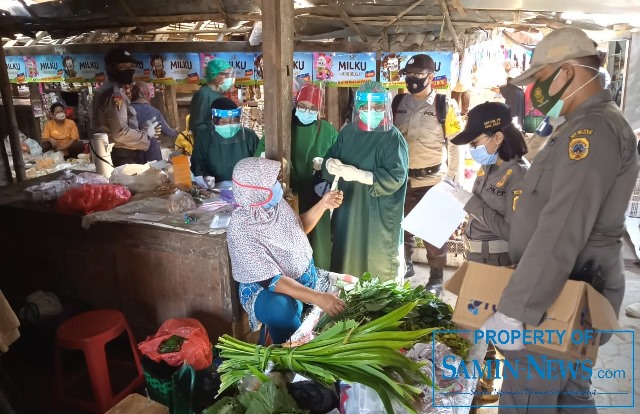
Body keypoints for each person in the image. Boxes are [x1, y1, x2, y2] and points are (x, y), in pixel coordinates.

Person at [481, 27, 639, 412]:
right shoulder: (583, 123)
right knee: (570, 396)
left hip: (561, 295)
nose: (533, 89)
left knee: (529, 399)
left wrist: (514, 310)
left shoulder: (592, 130)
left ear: (567, 71)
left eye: (537, 77)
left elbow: (562, 227)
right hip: (574, 288)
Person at [445, 101, 529, 402]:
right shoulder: (490, 167)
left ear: (498, 137)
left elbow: (514, 232)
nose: (473, 149)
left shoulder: (518, 175)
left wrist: (470, 203)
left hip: (495, 264)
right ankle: (481, 387)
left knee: (474, 331)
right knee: (478, 330)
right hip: (477, 259)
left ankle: (470, 393)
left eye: (476, 142)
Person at [227, 157, 345, 344]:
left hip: (300, 275)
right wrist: (317, 297)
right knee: (283, 309)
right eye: (271, 182)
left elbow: (299, 229)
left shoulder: (275, 205)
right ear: (255, 191)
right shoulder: (241, 230)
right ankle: (288, 351)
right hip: (264, 289)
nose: (277, 186)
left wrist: (323, 204)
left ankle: (299, 322)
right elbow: (271, 281)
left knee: (341, 294)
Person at [323, 80, 409, 282]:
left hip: (378, 213)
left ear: (385, 108)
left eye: (377, 107)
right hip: (349, 209)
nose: (371, 111)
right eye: (366, 107)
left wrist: (361, 176)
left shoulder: (392, 139)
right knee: (346, 258)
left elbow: (396, 177)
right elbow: (331, 156)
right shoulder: (348, 132)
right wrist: (329, 164)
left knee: (377, 266)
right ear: (357, 108)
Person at [392, 53, 461, 293]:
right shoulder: (398, 104)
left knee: (434, 233)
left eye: (418, 75)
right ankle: (406, 265)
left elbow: (455, 143)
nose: (412, 79)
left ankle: (436, 278)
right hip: (402, 179)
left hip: (433, 181)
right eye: (409, 75)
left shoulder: (445, 105)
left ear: (431, 77)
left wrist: (451, 181)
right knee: (402, 227)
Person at [256, 84, 339, 269]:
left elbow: (339, 160)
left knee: (318, 245)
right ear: (295, 105)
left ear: (320, 110)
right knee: (289, 242)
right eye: (302, 106)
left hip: (318, 197)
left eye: (313, 108)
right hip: (285, 198)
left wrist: (327, 168)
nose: (307, 111)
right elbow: (260, 158)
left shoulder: (328, 131)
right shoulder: (281, 130)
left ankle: (318, 281)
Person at [92, 47, 160, 167]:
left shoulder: (112, 90)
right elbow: (120, 133)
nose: (129, 71)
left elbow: (121, 124)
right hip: (121, 155)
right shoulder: (113, 94)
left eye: (131, 67)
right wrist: (146, 135)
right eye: (123, 67)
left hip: (118, 153)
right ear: (111, 68)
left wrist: (142, 128)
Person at [190, 97, 260, 182]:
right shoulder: (205, 136)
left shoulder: (249, 135)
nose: (229, 126)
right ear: (214, 121)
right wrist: (204, 177)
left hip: (246, 185)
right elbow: (197, 162)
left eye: (234, 121)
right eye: (223, 122)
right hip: (215, 186)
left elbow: (259, 161)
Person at [130, 81, 177, 162]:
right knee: (157, 173)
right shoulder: (154, 111)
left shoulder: (127, 110)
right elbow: (168, 131)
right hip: (152, 152)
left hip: (132, 151)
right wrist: (179, 132)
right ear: (147, 94)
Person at [189, 59, 235, 136]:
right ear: (214, 74)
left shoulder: (220, 94)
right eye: (226, 75)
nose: (228, 78)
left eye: (229, 75)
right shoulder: (203, 94)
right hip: (209, 142)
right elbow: (197, 125)